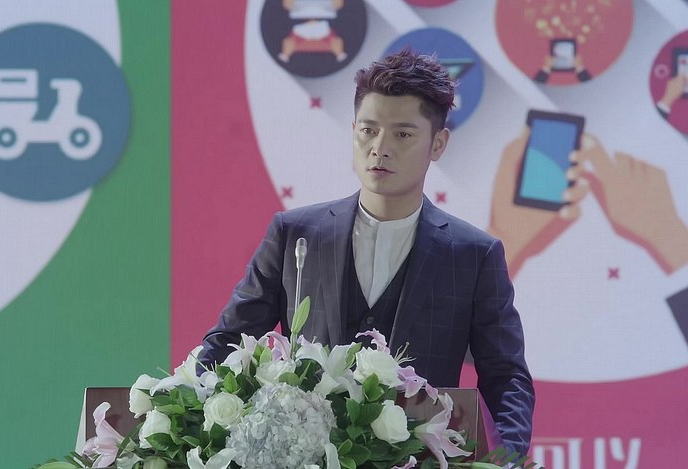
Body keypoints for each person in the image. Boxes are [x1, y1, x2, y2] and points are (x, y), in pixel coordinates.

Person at [199, 49, 535, 455]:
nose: (380, 148)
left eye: (403, 135)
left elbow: (505, 377)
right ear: (353, 130)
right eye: (368, 130)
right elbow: (227, 345)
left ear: (438, 143)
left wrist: (507, 459)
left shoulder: (473, 255)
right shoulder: (295, 235)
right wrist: (190, 425)